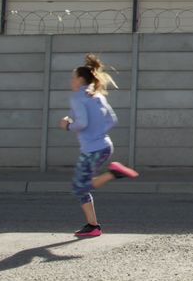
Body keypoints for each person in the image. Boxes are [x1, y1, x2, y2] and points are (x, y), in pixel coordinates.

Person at [59, 53, 139, 238]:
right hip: (105, 145)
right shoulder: (97, 96)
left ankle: (114, 174)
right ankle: (92, 225)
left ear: (80, 79)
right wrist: (96, 131)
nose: (71, 80)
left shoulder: (78, 98)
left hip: (92, 149)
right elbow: (111, 119)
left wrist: (68, 125)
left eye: (73, 77)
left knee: (80, 187)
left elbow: (82, 123)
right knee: (83, 185)